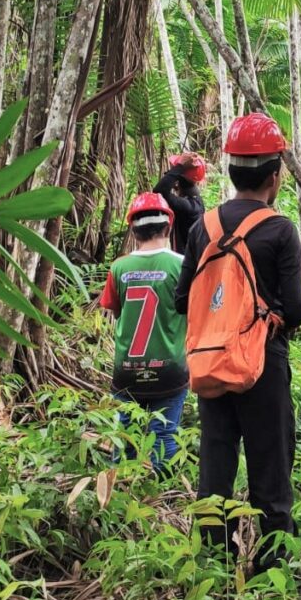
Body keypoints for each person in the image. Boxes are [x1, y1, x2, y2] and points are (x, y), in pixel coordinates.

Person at [175, 112, 301, 572]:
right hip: (260, 362)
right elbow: (295, 310)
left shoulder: (202, 227)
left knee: (216, 461)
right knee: (271, 463)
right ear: (275, 176)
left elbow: (181, 299)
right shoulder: (280, 230)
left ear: (231, 171)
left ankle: (214, 562)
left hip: (210, 362)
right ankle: (271, 567)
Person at [99, 192, 189, 473]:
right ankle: (162, 503)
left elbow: (115, 310)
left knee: (123, 439)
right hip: (170, 371)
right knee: (165, 438)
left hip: (127, 371)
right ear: (168, 226)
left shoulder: (119, 267)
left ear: (133, 229)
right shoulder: (182, 265)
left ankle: (120, 505)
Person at [153, 152, 207, 253]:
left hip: (186, 265)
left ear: (178, 180)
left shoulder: (190, 206)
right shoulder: (192, 201)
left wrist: (179, 168)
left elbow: (159, 191)